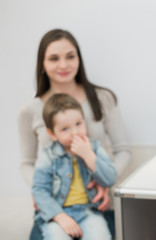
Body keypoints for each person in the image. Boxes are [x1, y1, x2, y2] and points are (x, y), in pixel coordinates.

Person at [18, 29, 131, 239]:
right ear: (42, 64)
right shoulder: (29, 111)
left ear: (78, 58)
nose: (64, 65)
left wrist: (103, 179)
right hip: (55, 207)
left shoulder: (103, 98)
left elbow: (122, 151)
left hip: (96, 205)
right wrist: (41, 191)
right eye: (54, 58)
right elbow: (27, 162)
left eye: (70, 56)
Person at [33, 93, 117, 239]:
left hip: (88, 211)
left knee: (100, 236)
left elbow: (110, 178)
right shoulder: (48, 156)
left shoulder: (94, 148)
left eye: (78, 124)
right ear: (52, 134)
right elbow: (39, 190)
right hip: (59, 212)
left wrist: (89, 156)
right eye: (65, 129)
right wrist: (59, 216)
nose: (75, 132)